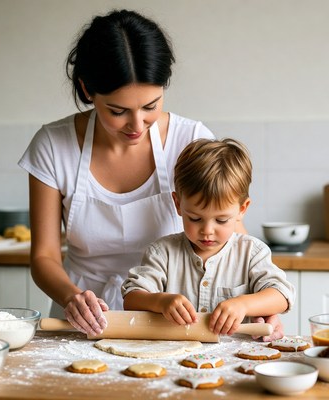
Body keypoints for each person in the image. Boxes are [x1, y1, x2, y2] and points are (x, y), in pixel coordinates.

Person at [18, 9, 283, 340]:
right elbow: (43, 257)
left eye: (150, 106)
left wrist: (263, 307)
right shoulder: (53, 145)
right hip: (83, 320)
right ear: (88, 90)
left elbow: (234, 241)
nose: (137, 124)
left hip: (171, 324)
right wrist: (73, 298)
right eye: (118, 111)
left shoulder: (190, 138)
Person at [122, 138, 295, 336]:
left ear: (242, 209)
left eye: (221, 220)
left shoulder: (251, 253)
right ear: (178, 204)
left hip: (237, 357)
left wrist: (243, 304)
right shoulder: (163, 253)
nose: (207, 230)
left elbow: (282, 295)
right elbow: (131, 298)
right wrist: (161, 301)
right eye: (195, 218)